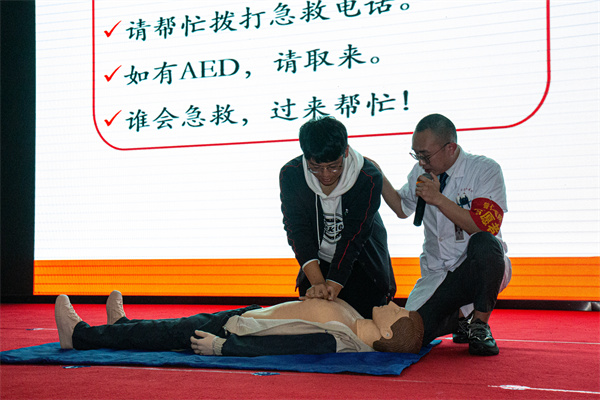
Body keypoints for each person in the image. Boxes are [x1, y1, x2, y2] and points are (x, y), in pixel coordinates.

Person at [375, 113, 512, 356]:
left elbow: (484, 227)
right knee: (408, 336)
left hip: (476, 270)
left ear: (451, 148)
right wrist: (378, 174)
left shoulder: (484, 169)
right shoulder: (419, 172)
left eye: (425, 156)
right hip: (438, 274)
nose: (421, 162)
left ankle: (479, 325)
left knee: (485, 243)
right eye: (416, 155)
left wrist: (438, 199)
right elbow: (401, 208)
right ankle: (460, 320)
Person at [54, 291, 424, 356]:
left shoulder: (340, 340)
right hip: (244, 317)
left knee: (167, 333)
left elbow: (282, 346)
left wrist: (224, 348)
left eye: (397, 313)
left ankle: (79, 336)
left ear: (387, 333)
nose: (394, 305)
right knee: (167, 328)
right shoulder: (356, 320)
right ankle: (121, 326)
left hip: (232, 332)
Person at [279, 116, 396, 319]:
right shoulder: (292, 175)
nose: (325, 174)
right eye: (316, 167)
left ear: (346, 152)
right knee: (313, 321)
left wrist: (332, 287)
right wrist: (318, 283)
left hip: (361, 263)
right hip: (318, 263)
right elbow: (297, 230)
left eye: (334, 166)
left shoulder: (367, 177)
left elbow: (354, 237)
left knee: (362, 324)